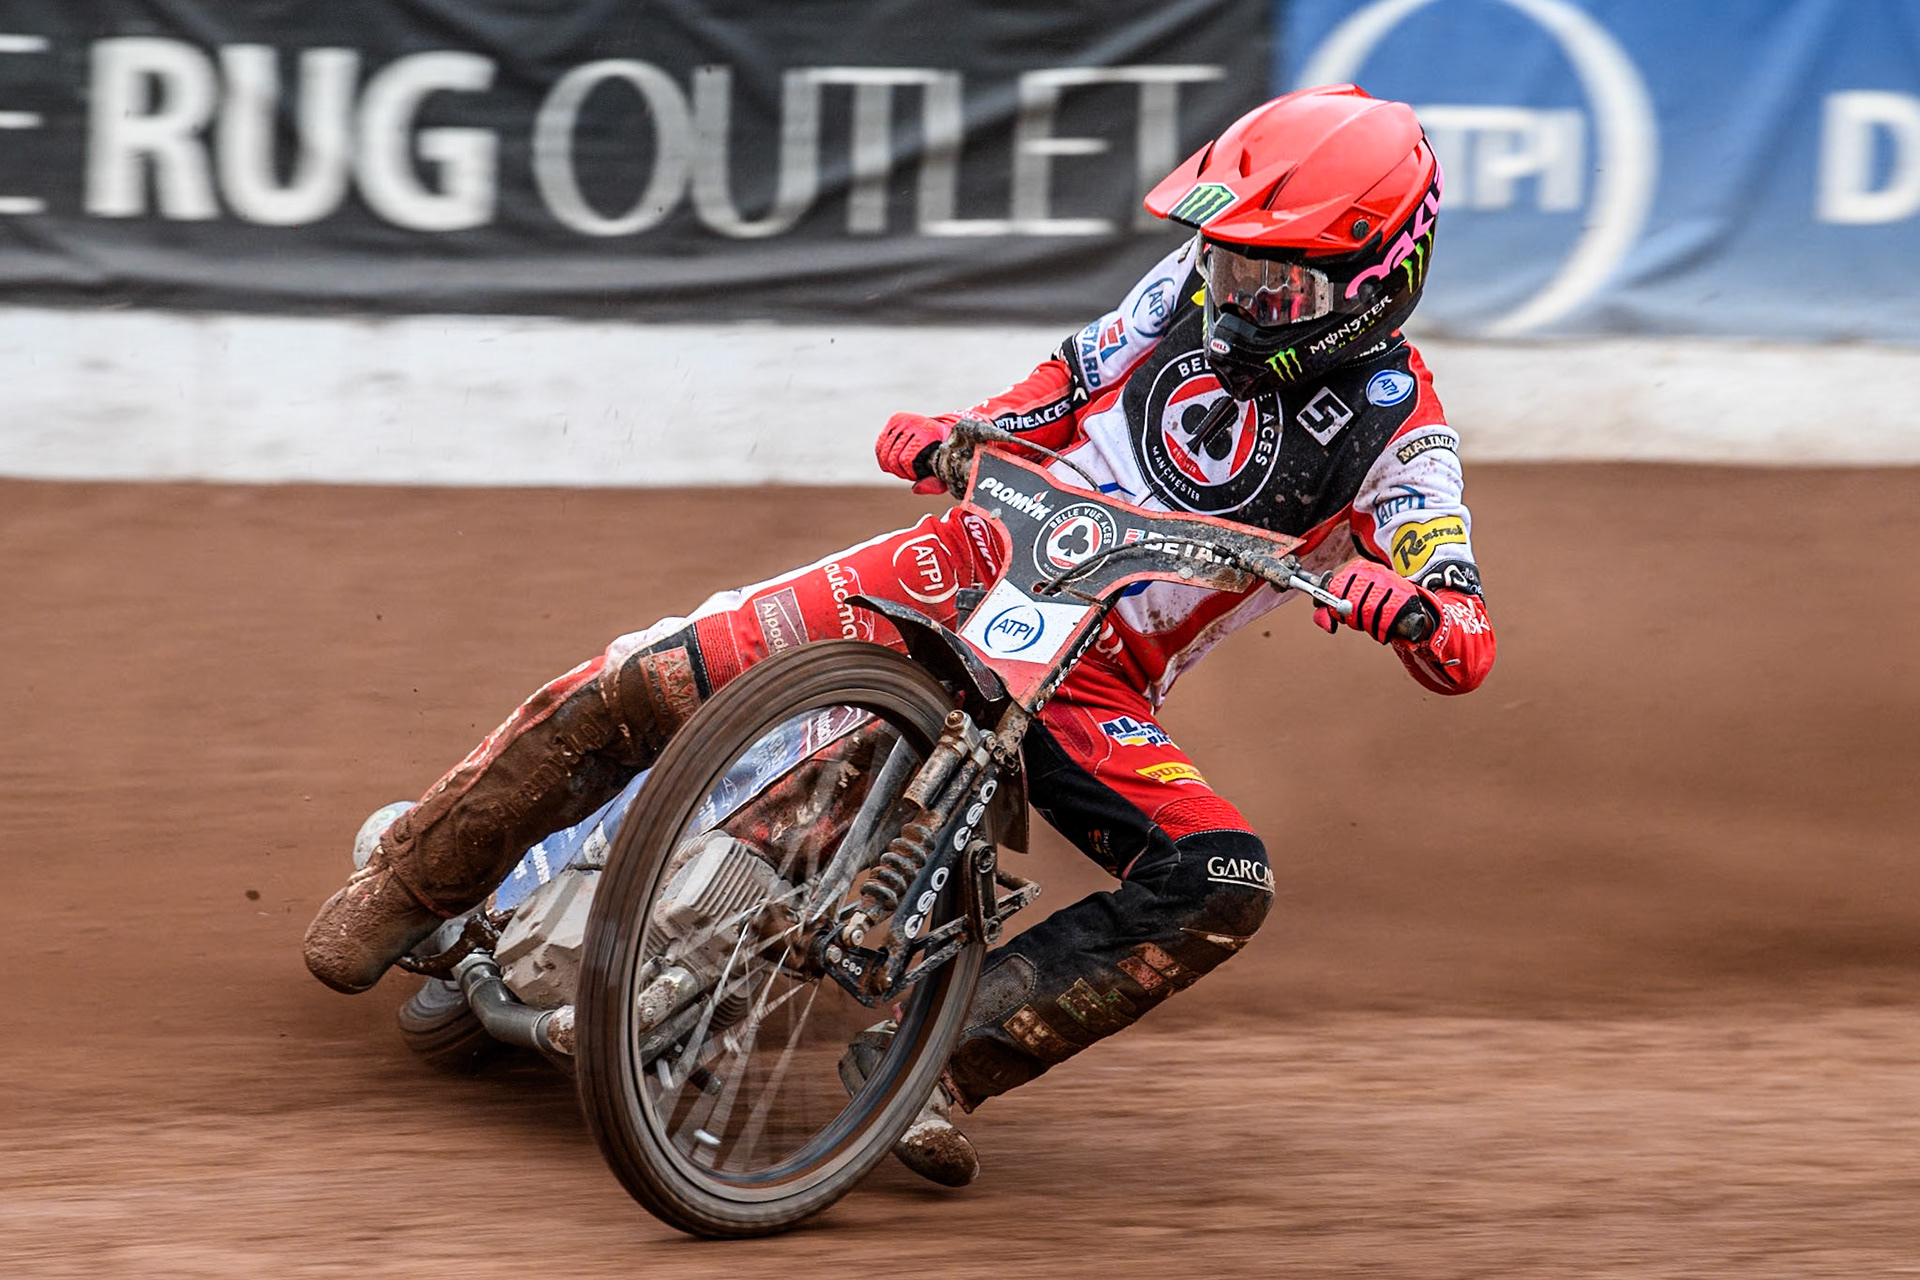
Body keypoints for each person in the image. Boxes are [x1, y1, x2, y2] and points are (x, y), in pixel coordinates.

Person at [304, 83, 1496, 1187]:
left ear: (1381, 280)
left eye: (1273, 283)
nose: (1235, 294)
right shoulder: (1193, 279)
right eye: (1231, 264)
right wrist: (966, 430)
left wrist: (1412, 608)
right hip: (975, 556)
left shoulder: (1406, 433)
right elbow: (1078, 369)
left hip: (1096, 686)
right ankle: (412, 879)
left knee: (1223, 876)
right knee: (667, 675)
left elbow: (1465, 629)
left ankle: (929, 1065)